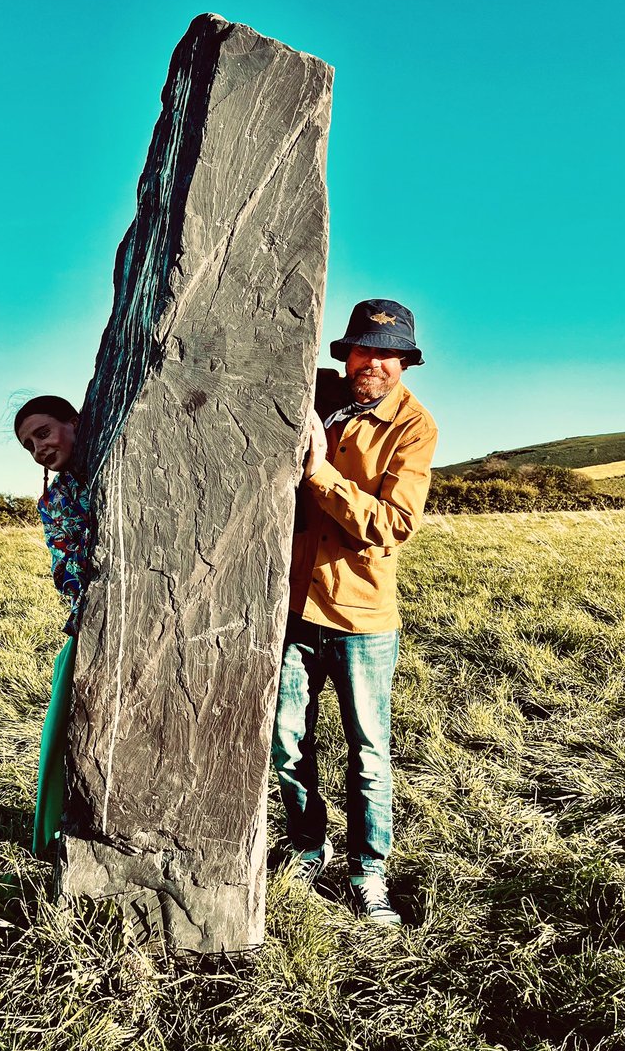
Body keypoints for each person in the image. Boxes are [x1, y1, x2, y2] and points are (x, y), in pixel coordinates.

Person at [272, 299, 437, 925]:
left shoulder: (415, 427)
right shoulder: (313, 391)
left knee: (369, 752)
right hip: (288, 606)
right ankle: (309, 847)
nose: (374, 363)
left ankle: (369, 872)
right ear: (346, 353)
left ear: (405, 362)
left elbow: (393, 525)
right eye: (364, 350)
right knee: (286, 741)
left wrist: (320, 473)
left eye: (389, 354)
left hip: (363, 618)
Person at [14, 395, 90, 857]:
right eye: (28, 445)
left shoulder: (122, 462)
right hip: (92, 619)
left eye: (43, 432)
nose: (38, 448)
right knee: (65, 727)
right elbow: (64, 567)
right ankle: (58, 832)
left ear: (74, 422)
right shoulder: (55, 499)